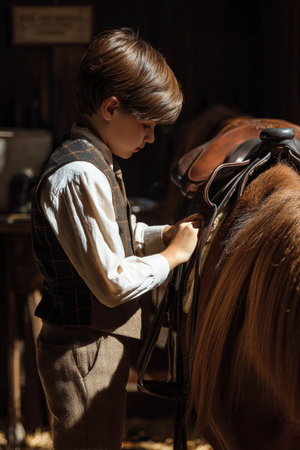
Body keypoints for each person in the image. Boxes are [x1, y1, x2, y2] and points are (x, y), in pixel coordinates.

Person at [31, 28, 200, 450]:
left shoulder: (98, 160)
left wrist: (164, 235)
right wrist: (173, 258)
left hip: (96, 345)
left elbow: (115, 238)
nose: (150, 138)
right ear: (110, 107)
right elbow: (110, 283)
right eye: (145, 125)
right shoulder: (79, 174)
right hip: (83, 347)